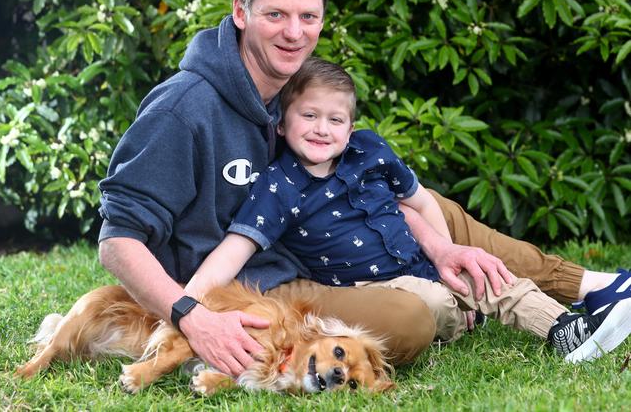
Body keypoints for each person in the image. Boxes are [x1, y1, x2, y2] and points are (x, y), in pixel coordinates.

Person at [97, 0, 630, 377]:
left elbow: (354, 182)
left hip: (314, 238)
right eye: (275, 14)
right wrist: (192, 316)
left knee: (432, 210)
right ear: (240, 12)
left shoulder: (295, 95)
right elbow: (117, 242)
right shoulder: (184, 109)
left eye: (309, 16)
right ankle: (470, 303)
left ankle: (594, 288)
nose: (294, 32)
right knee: (411, 320)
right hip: (263, 284)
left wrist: (441, 249)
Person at [187, 57, 631, 363]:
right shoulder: (279, 185)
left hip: (421, 264)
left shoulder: (369, 152)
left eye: (335, 119)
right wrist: (189, 305)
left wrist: (444, 255)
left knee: (482, 274)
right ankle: (460, 315)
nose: (322, 129)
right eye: (309, 116)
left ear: (351, 126)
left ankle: (567, 330)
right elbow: (236, 247)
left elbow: (419, 202)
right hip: (376, 286)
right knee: (437, 299)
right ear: (282, 125)